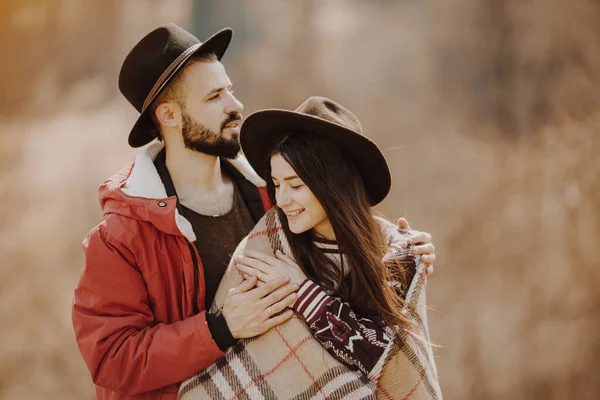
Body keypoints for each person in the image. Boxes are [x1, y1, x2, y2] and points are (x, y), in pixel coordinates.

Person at [72, 24, 437, 400]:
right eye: (214, 96)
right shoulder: (122, 234)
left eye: (229, 88)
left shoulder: (270, 194)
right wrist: (220, 329)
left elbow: (337, 262)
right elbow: (111, 358)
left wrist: (396, 254)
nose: (236, 105)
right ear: (169, 115)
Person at [179, 97, 441, 400]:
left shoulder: (399, 253)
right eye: (276, 184)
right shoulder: (267, 246)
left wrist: (304, 293)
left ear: (332, 184)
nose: (282, 199)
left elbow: (383, 356)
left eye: (296, 185)